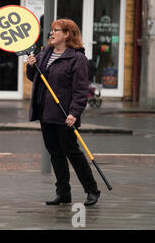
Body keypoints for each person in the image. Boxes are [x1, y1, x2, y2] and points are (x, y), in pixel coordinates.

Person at [26, 18, 101, 206]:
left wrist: (75, 112)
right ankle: (63, 193)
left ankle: (92, 189)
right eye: (51, 31)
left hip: (64, 114)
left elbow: (81, 89)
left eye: (55, 30)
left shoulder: (77, 58)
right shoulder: (44, 54)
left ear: (67, 34)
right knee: (55, 153)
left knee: (72, 152)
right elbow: (34, 78)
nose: (51, 34)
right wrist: (31, 65)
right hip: (45, 111)